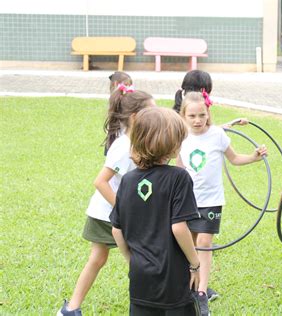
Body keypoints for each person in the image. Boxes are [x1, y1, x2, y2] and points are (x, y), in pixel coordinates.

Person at [57, 87, 155, 316]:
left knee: (130, 260)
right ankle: (72, 308)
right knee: (114, 259)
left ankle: (71, 308)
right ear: (134, 117)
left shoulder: (138, 141)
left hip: (119, 214)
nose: (156, 116)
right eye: (151, 112)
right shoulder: (123, 146)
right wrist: (123, 209)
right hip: (106, 215)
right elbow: (100, 182)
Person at [176, 91, 267, 316]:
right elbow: (178, 168)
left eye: (202, 115)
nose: (197, 120)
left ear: (208, 114)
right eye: (192, 116)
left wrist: (254, 157)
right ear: (183, 116)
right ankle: (189, 287)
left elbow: (234, 159)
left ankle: (202, 293)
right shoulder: (180, 137)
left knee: (205, 243)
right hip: (187, 200)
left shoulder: (217, 135)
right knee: (190, 245)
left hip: (211, 201)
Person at [110, 107, 201, 315]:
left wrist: (132, 260)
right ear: (171, 145)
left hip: (140, 277)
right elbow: (179, 228)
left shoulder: (127, 180)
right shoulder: (179, 177)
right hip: (174, 278)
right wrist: (195, 264)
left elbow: (117, 230)